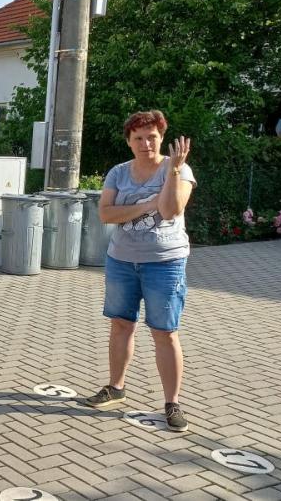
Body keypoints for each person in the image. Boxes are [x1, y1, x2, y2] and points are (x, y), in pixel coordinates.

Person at [83, 110, 196, 433]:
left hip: (165, 263)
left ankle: (172, 403)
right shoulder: (119, 173)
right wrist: (146, 205)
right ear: (129, 142)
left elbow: (171, 210)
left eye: (152, 137)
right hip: (122, 261)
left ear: (162, 138)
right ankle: (116, 387)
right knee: (121, 325)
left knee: (165, 332)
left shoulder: (179, 169)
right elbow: (106, 214)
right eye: (139, 138)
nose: (146, 143)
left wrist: (173, 171)